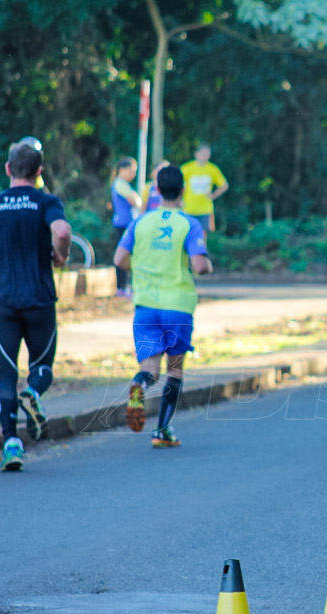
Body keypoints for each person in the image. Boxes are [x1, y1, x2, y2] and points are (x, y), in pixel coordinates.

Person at [0, 137, 73, 471]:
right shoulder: (46, 200)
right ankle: (35, 394)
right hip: (40, 299)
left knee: (6, 374)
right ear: (39, 171)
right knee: (41, 368)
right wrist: (60, 256)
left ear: (9, 168)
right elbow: (63, 231)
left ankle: (11, 444)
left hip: (5, 303)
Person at [114, 165, 213, 447]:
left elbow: (119, 259)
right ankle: (162, 431)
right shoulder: (189, 224)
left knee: (151, 369)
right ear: (182, 191)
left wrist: (143, 268)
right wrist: (208, 264)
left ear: (156, 190)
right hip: (177, 306)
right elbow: (199, 265)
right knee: (175, 370)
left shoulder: (140, 223)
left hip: (145, 305)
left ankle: (140, 386)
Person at [111, 157, 142, 296]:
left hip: (126, 224)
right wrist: (137, 198)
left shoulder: (122, 184)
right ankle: (121, 288)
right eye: (132, 170)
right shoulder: (120, 184)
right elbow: (135, 201)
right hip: (124, 224)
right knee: (124, 256)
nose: (133, 174)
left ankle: (124, 287)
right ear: (122, 170)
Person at [181, 143, 228, 233]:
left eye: (207, 154)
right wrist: (180, 199)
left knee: (203, 235)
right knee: (187, 234)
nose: (205, 156)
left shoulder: (213, 169)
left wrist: (213, 195)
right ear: (196, 154)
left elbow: (224, 185)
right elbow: (178, 184)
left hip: (205, 209)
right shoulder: (187, 168)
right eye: (203, 153)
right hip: (188, 208)